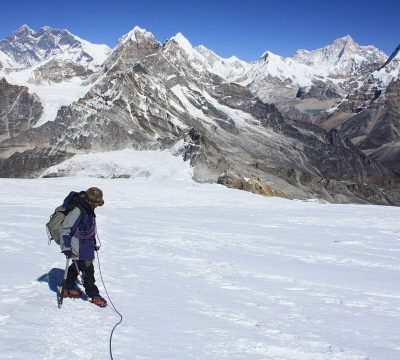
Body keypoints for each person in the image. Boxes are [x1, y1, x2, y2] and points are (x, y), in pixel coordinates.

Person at [59, 187, 107, 307]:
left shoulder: (88, 207)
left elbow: (87, 227)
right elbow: (65, 229)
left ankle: (68, 286)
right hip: (78, 244)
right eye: (95, 203)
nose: (96, 206)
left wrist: (92, 243)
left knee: (77, 266)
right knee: (87, 270)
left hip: (86, 243)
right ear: (91, 201)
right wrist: (66, 247)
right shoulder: (78, 210)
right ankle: (93, 295)